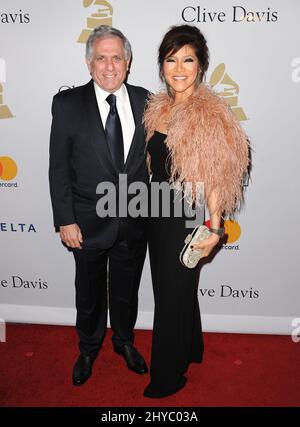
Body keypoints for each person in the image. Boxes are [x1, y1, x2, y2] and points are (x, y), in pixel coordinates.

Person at [143, 24, 249, 398]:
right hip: (154, 211)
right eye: (171, 59)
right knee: (172, 289)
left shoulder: (209, 113)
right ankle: (191, 348)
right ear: (162, 65)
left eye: (188, 59)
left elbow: (219, 175)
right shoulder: (159, 107)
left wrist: (214, 229)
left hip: (184, 215)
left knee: (172, 295)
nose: (179, 67)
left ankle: (167, 378)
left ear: (201, 65)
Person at [49, 25, 149, 386]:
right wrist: (65, 219)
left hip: (135, 221)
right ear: (89, 63)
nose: (110, 66)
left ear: (128, 62)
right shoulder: (67, 104)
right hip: (86, 222)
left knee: (126, 290)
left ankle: (124, 342)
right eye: (101, 58)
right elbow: (58, 167)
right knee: (88, 292)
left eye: (117, 57)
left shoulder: (147, 101)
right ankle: (89, 347)